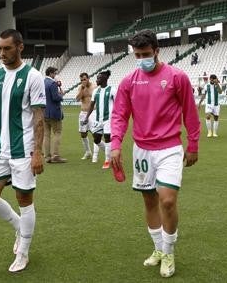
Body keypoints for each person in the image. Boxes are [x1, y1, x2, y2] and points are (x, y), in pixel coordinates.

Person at [111, 30, 200, 278]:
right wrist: (116, 143)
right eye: (137, 55)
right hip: (142, 149)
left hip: (170, 148)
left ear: (157, 51)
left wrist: (193, 144)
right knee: (150, 200)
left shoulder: (177, 77)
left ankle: (169, 252)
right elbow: (119, 115)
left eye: (146, 54)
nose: (142, 59)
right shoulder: (128, 81)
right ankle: (158, 249)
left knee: (168, 200)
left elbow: (190, 113)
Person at [0, 29, 45, 272]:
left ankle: (24, 252)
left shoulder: (33, 76)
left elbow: (39, 116)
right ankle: (19, 226)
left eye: (7, 48)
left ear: (20, 47)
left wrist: (38, 152)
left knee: (24, 199)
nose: (2, 53)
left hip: (23, 150)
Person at [85, 70, 116, 168]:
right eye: (97, 78)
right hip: (98, 119)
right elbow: (92, 105)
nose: (97, 80)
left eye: (99, 78)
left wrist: (117, 116)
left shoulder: (112, 90)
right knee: (96, 139)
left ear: (105, 78)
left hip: (109, 119)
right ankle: (110, 152)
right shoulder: (96, 91)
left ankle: (107, 160)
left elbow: (118, 104)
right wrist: (87, 117)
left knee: (107, 138)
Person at [43, 66, 67, 163]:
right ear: (51, 73)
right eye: (55, 73)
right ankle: (55, 155)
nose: (55, 75)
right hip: (54, 112)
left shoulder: (43, 82)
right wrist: (62, 94)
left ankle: (47, 156)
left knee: (46, 135)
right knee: (57, 132)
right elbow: (56, 98)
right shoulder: (52, 83)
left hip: (45, 111)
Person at [75, 72, 95, 160]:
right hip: (83, 113)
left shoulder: (94, 87)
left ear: (88, 78)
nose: (83, 81)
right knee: (83, 133)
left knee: (95, 133)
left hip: (93, 113)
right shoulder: (80, 88)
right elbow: (77, 99)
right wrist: (82, 89)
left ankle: (101, 153)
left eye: (84, 79)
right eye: (81, 80)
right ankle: (88, 152)